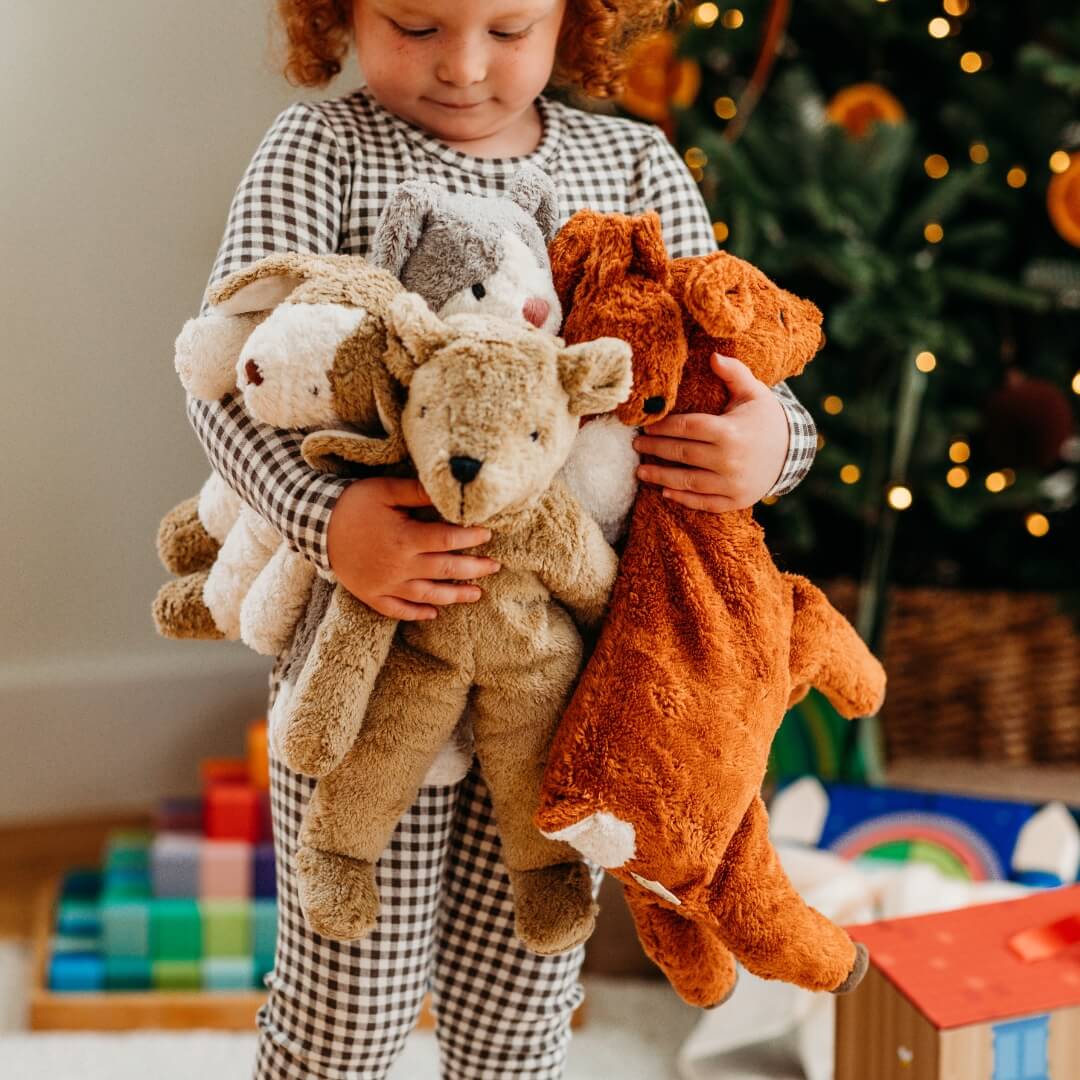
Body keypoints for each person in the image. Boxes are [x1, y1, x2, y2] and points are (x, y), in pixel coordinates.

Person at [186, 2, 819, 1076]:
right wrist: (331, 522)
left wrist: (777, 443)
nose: (465, 66)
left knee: (523, 1002)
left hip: (572, 679)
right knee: (344, 1006)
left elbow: (734, 365)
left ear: (575, 17)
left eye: (508, 28)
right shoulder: (319, 149)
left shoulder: (635, 162)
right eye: (416, 25)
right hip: (368, 650)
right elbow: (227, 382)